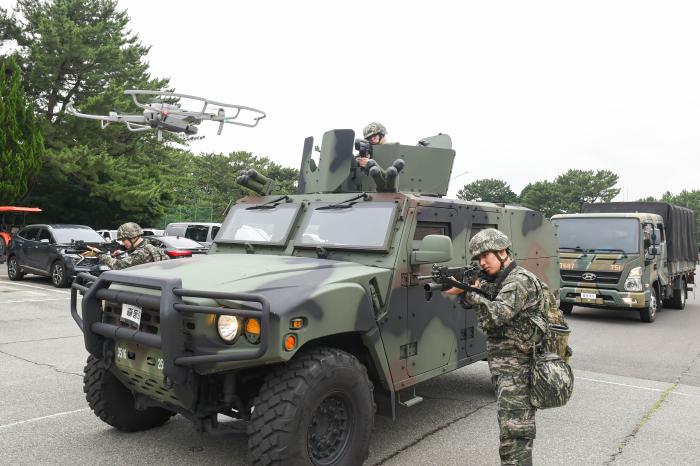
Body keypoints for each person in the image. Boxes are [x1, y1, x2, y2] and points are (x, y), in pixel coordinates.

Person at [459, 229, 546, 466]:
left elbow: (494, 315)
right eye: (478, 258)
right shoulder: (502, 281)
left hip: (518, 373)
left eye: (486, 255)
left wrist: (470, 294)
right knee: (510, 435)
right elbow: (488, 297)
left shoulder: (518, 281)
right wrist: (468, 291)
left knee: (514, 438)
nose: (482, 263)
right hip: (508, 373)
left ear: (502, 252)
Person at [94, 222, 169, 270]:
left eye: (124, 240)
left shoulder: (142, 252)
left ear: (133, 237)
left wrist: (99, 254)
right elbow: (133, 264)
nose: (123, 243)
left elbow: (118, 266)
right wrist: (120, 255)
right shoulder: (149, 246)